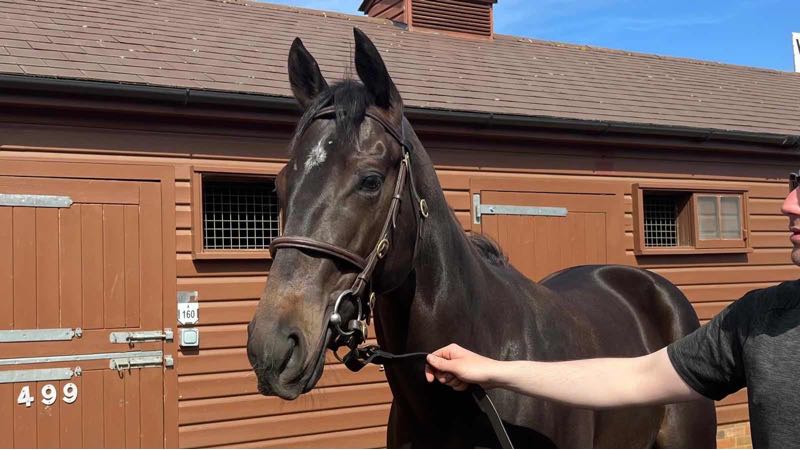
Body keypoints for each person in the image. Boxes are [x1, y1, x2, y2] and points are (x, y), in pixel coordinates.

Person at [425, 169, 800, 448]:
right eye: (793, 183)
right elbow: (635, 377)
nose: (787, 204)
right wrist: (493, 369)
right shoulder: (759, 318)